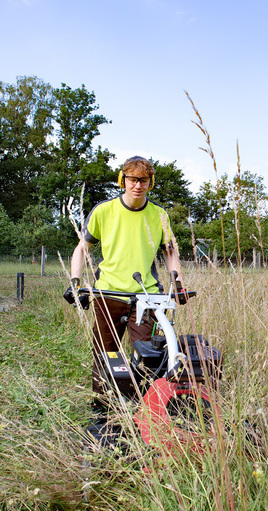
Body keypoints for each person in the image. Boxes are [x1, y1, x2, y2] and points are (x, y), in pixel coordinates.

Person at [64, 156, 182, 406]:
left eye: (144, 180)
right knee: (105, 354)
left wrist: (177, 284)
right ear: (122, 180)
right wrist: (75, 282)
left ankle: (145, 408)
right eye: (132, 179)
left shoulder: (159, 215)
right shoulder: (104, 210)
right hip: (108, 294)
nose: (138, 185)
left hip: (146, 296)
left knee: (150, 356)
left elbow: (171, 251)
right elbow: (82, 247)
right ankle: (102, 407)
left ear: (151, 183)